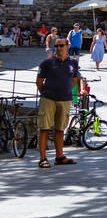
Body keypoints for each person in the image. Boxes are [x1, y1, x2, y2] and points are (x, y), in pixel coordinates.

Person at [35, 35, 80, 168]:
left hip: (65, 99)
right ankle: (43, 158)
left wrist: (64, 91)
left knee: (60, 129)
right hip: (48, 99)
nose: (59, 48)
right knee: (44, 128)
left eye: (61, 45)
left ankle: (59, 156)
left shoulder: (73, 62)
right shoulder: (47, 63)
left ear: (67, 46)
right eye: (56, 46)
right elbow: (39, 82)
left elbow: (74, 80)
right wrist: (46, 93)